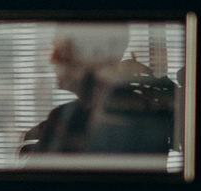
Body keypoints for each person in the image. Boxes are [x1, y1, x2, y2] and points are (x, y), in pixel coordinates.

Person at [19, 24, 176, 158]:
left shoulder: (134, 118)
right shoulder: (66, 116)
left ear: (96, 54)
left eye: (62, 49)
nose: (52, 58)